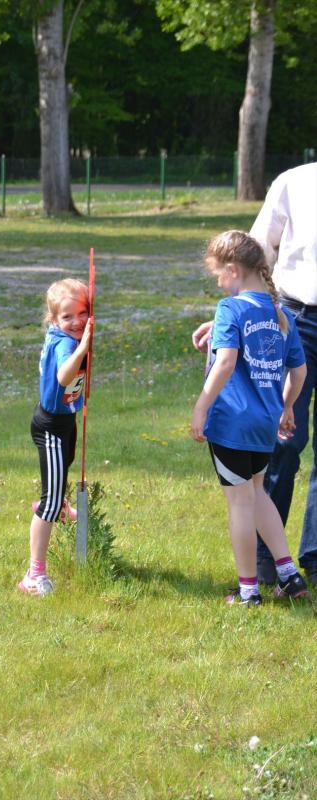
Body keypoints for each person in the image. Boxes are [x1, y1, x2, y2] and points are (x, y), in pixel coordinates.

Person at [192, 162, 317, 586]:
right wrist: (286, 406)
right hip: (269, 413)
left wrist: (200, 407)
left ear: (231, 272)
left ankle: (251, 588)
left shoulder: (234, 307)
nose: (218, 284)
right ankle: (282, 571)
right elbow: (299, 370)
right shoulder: (282, 315)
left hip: (234, 424)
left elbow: (226, 362)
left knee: (241, 501)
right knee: (267, 478)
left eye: (218, 276)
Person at [18, 278, 93, 596]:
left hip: (65, 421)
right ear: (53, 319)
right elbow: (64, 376)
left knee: (63, 467)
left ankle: (56, 502)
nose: (76, 322)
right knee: (48, 504)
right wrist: (83, 347)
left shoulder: (64, 335)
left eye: (82, 313)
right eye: (67, 317)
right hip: (50, 426)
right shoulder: (65, 344)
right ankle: (33, 575)